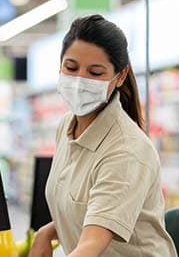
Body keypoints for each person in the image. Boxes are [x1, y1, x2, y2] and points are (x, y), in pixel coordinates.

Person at [28, 15, 177, 257]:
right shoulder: (67, 126)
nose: (79, 82)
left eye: (95, 73)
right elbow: (87, 207)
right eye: (71, 67)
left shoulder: (127, 151)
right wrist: (47, 232)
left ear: (119, 76)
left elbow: (92, 244)